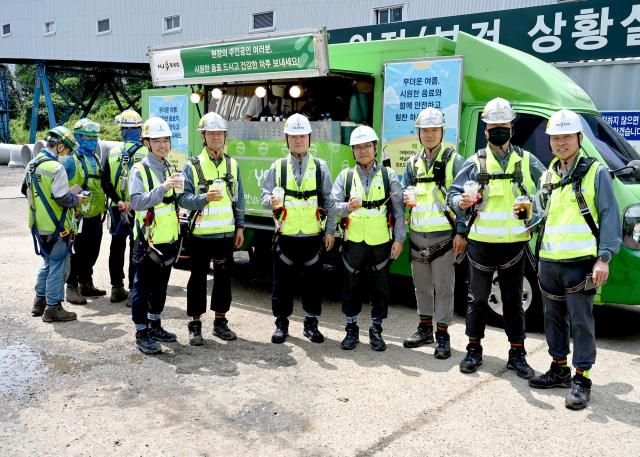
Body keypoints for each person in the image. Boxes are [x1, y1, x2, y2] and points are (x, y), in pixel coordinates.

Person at [528, 109, 621, 410]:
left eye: (566, 136)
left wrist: (603, 258)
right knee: (552, 319)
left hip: (581, 262)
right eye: (555, 138)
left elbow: (609, 215)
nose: (560, 143)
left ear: (580, 138)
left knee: (581, 322)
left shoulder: (596, 172)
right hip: (549, 261)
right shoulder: (547, 174)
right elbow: (541, 214)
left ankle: (582, 379)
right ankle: (558, 368)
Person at [447, 97, 546, 377]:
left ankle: (518, 354)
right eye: (493, 127)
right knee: (476, 300)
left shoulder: (527, 161)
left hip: (514, 245)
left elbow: (548, 192)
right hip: (481, 244)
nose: (498, 131)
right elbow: (452, 195)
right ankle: (473, 350)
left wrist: (534, 215)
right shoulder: (475, 161)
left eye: (503, 126)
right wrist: (461, 204)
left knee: (513, 302)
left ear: (511, 128)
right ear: (486, 130)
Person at [261, 113, 335, 344]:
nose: (298, 140)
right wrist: (270, 201)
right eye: (293, 136)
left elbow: (329, 202)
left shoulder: (320, 167)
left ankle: (311, 324)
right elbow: (265, 194)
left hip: (313, 235)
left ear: (309, 138)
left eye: (302, 136)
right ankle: (281, 323)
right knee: (281, 283)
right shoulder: (278, 166)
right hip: (286, 235)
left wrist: (331, 231)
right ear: (287, 139)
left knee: (313, 283)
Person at [330, 125, 405, 351]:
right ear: (353, 151)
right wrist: (346, 207)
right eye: (358, 147)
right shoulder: (345, 176)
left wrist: (399, 239)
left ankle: (376, 329)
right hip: (353, 240)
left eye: (367, 146)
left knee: (380, 287)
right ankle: (351, 329)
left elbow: (399, 210)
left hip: (381, 241)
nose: (363, 151)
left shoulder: (388, 175)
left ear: (375, 148)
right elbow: (333, 206)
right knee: (350, 285)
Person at [402, 108, 467, 359]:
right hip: (418, 233)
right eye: (424, 131)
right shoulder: (412, 162)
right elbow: (408, 192)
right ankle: (424, 328)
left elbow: (462, 201)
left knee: (444, 287)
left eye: (433, 130)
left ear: (442, 132)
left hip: (444, 235)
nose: (429, 135)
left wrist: (461, 232)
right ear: (418, 133)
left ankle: (442, 335)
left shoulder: (454, 160)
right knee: (421, 287)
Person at [177, 112, 245, 346]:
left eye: (220, 133)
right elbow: (182, 199)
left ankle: (220, 322)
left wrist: (240, 227)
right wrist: (204, 198)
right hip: (200, 234)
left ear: (225, 136)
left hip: (225, 233)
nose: (216, 137)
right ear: (203, 137)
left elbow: (239, 199)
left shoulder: (232, 164)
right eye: (211, 133)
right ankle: (195, 325)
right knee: (197, 279)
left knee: (224, 279)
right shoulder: (192, 166)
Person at [128, 117, 182, 354]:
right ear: (147, 143)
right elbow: (137, 202)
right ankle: (141, 332)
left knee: (161, 287)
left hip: (168, 238)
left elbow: (176, 200)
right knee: (142, 288)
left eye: (165, 140)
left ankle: (155, 324)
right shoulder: (139, 169)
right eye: (157, 141)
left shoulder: (169, 166)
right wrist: (163, 188)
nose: (162, 145)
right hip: (148, 241)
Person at [22, 126, 82, 322]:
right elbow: (62, 198)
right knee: (58, 265)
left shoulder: (32, 164)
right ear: (60, 146)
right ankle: (53, 307)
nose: (66, 155)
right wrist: (77, 199)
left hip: (38, 223)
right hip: (57, 226)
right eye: (66, 150)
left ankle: (39, 302)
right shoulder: (56, 168)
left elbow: (25, 190)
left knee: (47, 263)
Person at [102, 109, 147, 305]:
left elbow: (105, 183)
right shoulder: (147, 153)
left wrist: (119, 201)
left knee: (117, 246)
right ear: (139, 130)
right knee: (137, 248)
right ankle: (133, 290)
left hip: (117, 208)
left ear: (122, 131)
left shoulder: (112, 152)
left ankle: (116, 287)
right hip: (138, 207)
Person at [64, 118, 107, 304]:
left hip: (96, 214)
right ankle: (71, 287)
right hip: (78, 217)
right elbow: (60, 189)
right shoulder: (71, 162)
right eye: (88, 137)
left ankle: (86, 283)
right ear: (78, 138)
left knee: (93, 251)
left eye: (95, 137)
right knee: (77, 253)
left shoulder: (95, 158)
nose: (93, 141)